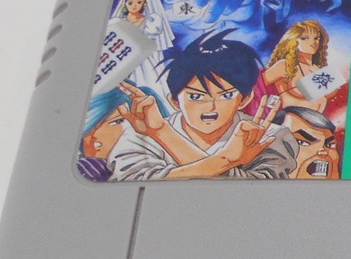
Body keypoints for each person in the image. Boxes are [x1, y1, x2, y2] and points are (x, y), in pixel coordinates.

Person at [108, 30, 298, 180]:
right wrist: (224, 161)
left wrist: (162, 133)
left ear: (245, 99)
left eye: (226, 95)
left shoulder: (272, 137)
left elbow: (253, 195)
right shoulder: (140, 135)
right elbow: (133, 185)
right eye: (196, 96)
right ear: (175, 101)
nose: (211, 107)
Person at [108, 0, 174, 92]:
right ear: (125, 3)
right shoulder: (118, 22)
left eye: (139, 2)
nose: (134, 6)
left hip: (142, 61)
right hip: (120, 58)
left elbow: (149, 42)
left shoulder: (151, 21)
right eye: (130, 3)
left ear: (145, 4)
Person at [258, 19, 332, 113]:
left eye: (316, 38)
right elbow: (256, 86)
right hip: (289, 120)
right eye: (304, 38)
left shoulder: (319, 70)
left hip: (319, 120)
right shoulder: (285, 65)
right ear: (294, 41)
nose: (312, 42)